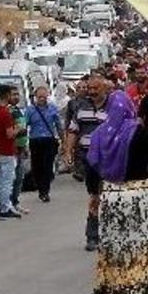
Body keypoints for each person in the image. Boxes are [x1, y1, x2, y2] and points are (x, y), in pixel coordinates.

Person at [87, 91, 148, 294]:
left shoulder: (100, 134)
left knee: (116, 246)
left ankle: (120, 285)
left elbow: (93, 168)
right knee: (143, 245)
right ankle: (133, 286)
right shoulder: (136, 131)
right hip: (138, 196)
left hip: (111, 196)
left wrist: (93, 196)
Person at [64, 74, 109, 250]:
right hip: (89, 159)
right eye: (89, 89)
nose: (91, 92)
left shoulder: (113, 107)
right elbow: (74, 131)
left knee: (111, 197)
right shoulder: (81, 107)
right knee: (94, 196)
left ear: (104, 89)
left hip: (109, 159)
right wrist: (68, 151)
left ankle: (112, 232)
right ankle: (92, 235)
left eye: (95, 88)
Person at [0, 84, 23, 220]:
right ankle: (5, 207)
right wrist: (18, 129)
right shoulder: (5, 113)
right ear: (6, 95)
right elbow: (9, 134)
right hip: (7, 150)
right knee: (7, 181)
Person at [26, 86, 61, 203]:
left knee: (47, 166)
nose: (42, 99)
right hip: (35, 140)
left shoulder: (52, 109)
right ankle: (40, 186)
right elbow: (24, 125)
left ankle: (44, 191)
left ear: (47, 96)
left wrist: (63, 140)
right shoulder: (30, 110)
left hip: (48, 140)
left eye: (44, 97)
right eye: (39, 97)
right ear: (35, 97)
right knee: (36, 166)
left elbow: (58, 125)